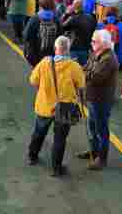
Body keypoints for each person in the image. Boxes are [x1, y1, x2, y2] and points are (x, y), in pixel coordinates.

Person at [27, 36, 86, 176]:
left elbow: (33, 81)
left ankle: (32, 156)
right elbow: (81, 86)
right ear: (68, 50)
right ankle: (56, 168)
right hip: (65, 108)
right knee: (60, 139)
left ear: (55, 48)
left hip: (44, 105)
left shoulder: (44, 63)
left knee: (39, 132)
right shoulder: (74, 66)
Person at [78, 29, 119, 170]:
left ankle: (101, 159)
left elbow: (95, 77)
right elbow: (88, 69)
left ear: (103, 43)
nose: (92, 43)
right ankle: (94, 151)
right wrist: (84, 71)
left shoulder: (108, 59)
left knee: (101, 130)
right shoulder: (96, 54)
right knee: (92, 127)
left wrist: (82, 72)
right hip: (92, 98)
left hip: (101, 100)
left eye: (94, 41)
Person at [24, 0, 62, 67]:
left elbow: (27, 36)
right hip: (52, 54)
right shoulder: (56, 19)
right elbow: (60, 35)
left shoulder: (35, 18)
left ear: (40, 5)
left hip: (36, 54)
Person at [61, 0, 96, 66]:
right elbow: (93, 29)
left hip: (74, 48)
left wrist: (66, 14)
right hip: (85, 48)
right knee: (84, 71)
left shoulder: (72, 18)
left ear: (73, 7)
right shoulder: (90, 18)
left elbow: (62, 26)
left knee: (72, 71)